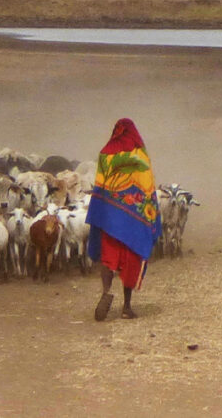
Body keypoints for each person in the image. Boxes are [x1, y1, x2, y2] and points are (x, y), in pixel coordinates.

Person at [86, 118, 161, 321]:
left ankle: (106, 291)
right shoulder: (140, 156)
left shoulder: (105, 155)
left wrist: (102, 212)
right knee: (130, 260)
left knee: (109, 259)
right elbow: (147, 189)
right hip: (133, 221)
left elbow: (100, 187)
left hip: (109, 218)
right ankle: (126, 307)